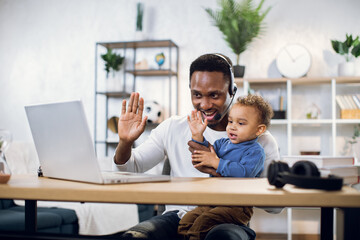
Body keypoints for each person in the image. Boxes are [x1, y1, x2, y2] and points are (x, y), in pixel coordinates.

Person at [113, 53, 280, 240]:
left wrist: (231, 177)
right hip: (179, 216)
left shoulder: (260, 141)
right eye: (197, 95)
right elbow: (129, 169)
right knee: (135, 237)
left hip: (226, 220)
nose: (205, 104)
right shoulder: (173, 127)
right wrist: (125, 142)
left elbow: (275, 206)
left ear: (232, 90)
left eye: (214, 95)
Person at [177, 94, 273, 240]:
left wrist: (216, 162)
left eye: (241, 123)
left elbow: (244, 173)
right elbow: (205, 155)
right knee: (185, 223)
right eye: (230, 121)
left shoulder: (255, 151)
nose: (232, 126)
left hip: (238, 206)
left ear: (259, 130)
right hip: (213, 200)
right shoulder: (222, 143)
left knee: (201, 225)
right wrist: (197, 135)